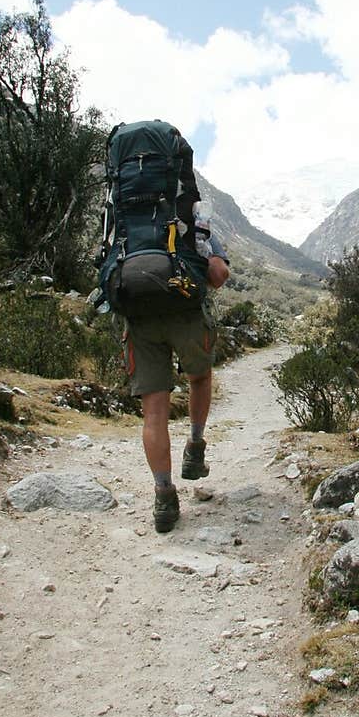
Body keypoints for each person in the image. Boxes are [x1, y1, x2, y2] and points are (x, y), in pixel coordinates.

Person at [120, 218, 230, 533]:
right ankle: (195, 448)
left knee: (153, 413)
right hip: (187, 316)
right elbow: (218, 274)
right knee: (200, 377)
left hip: (140, 320)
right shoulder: (191, 216)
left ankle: (164, 498)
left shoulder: (125, 214)